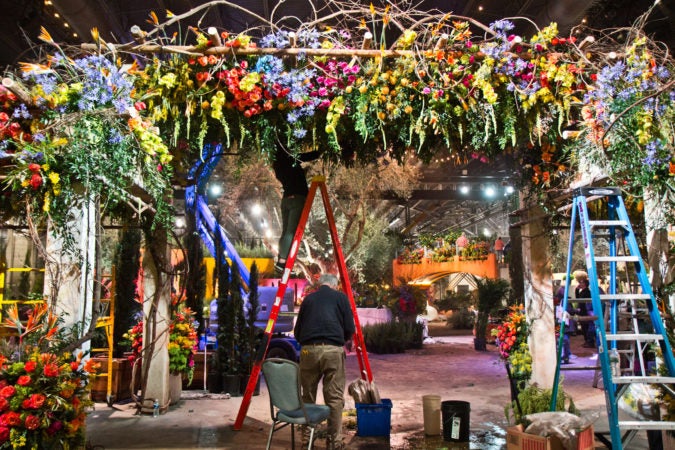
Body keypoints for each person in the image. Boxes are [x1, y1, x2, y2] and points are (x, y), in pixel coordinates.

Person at [294, 273, 355, 450]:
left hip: (308, 350)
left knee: (308, 396)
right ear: (334, 286)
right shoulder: (340, 298)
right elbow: (349, 328)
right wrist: (338, 342)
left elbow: (298, 331)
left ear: (319, 285)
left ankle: (307, 441)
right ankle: (334, 443)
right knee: (334, 399)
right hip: (332, 351)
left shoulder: (308, 300)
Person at [272, 142, 321, 275]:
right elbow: (306, 156)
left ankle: (281, 260)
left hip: (286, 199)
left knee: (285, 232)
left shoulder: (277, 165)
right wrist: (321, 151)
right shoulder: (289, 159)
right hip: (297, 199)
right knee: (290, 232)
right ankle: (282, 262)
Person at [574, 271, 596, 348]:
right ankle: (587, 341)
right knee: (583, 327)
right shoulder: (582, 291)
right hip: (582, 311)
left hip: (585, 311)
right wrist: (576, 290)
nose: (580, 284)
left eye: (581, 283)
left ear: (585, 284)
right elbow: (577, 299)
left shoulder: (587, 292)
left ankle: (589, 342)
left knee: (586, 327)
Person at [554, 290, 573, 364]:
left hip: (563, 324)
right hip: (559, 324)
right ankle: (564, 356)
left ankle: (565, 356)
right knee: (562, 340)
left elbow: (569, 311)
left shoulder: (564, 302)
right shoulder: (560, 302)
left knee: (564, 340)